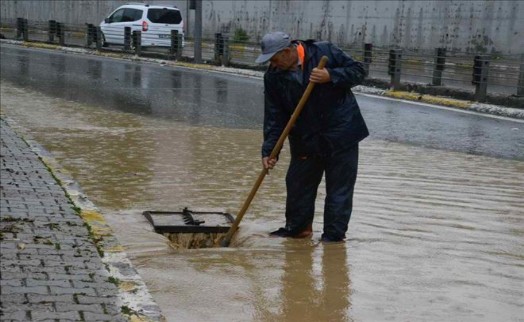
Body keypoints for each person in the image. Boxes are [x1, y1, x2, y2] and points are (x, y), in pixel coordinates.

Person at [255, 31, 369, 242]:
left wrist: (331, 76)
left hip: (341, 134)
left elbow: (359, 71)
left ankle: (333, 240)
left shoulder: (323, 51)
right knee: (298, 185)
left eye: (274, 58)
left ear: (287, 51)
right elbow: (274, 116)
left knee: (338, 190)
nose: (272, 64)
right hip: (305, 138)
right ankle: (298, 230)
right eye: (269, 60)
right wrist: (270, 151)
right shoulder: (273, 76)